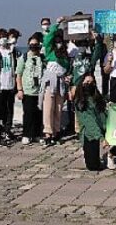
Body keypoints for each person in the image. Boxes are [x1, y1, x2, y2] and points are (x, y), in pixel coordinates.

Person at [42, 18, 70, 146]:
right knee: (48, 107)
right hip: (50, 81)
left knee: (58, 108)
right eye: (57, 40)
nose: (58, 42)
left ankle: (56, 132)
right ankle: (47, 132)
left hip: (61, 82)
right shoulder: (49, 51)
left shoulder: (65, 54)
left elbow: (67, 68)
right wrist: (56, 23)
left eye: (61, 40)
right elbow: (47, 38)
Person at [73, 74, 108, 171]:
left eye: (91, 83)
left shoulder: (97, 98)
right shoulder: (80, 101)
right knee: (93, 166)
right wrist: (101, 138)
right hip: (90, 134)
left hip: (103, 128)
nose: (89, 84)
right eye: (87, 82)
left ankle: (111, 155)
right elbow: (90, 122)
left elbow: (103, 114)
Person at [16, 34, 44, 145]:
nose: (34, 47)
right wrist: (19, 89)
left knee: (38, 114)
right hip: (27, 90)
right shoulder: (24, 57)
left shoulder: (42, 58)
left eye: (36, 45)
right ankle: (26, 134)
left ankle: (37, 134)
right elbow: (18, 74)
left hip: (39, 91)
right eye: (31, 45)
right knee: (28, 114)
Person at [0, 28, 21, 140]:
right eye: (0, 37)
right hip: (0, 85)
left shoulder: (13, 51)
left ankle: (8, 129)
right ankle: (0, 128)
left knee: (10, 108)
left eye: (4, 36)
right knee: (0, 109)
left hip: (11, 85)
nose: (3, 39)